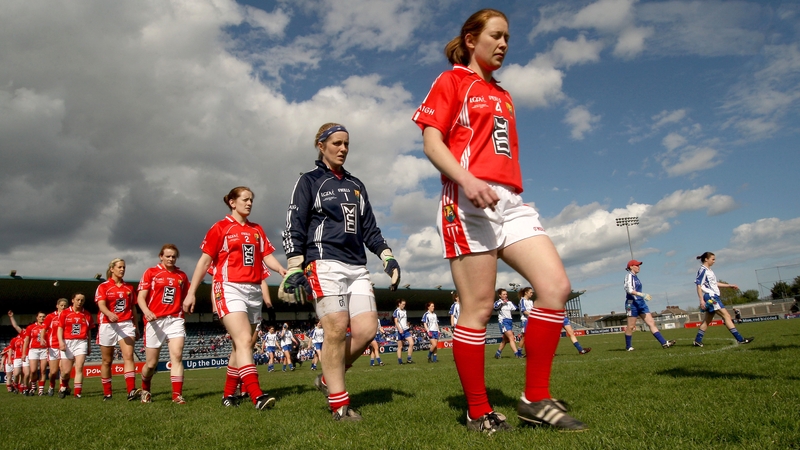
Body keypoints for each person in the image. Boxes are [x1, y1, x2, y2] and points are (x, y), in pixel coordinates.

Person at [412, 8, 586, 432]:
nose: (504, 44)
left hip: (511, 201)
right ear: (471, 39)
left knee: (555, 288)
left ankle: (535, 400)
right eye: (496, 35)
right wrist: (467, 179)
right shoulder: (452, 80)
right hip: (466, 198)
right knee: (478, 307)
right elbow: (432, 142)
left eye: (508, 37)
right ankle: (478, 411)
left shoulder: (504, 95)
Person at [280, 122, 401, 422]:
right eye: (336, 143)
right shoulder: (309, 181)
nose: (343, 149)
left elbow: (369, 228)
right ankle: (339, 404)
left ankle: (326, 378)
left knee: (367, 331)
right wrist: (294, 265)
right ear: (321, 146)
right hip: (323, 262)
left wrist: (387, 256)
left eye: (346, 143)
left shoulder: (356, 184)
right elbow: (294, 223)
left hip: (357, 266)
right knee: (335, 328)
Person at [183, 186, 286, 410]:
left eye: (251, 200)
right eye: (245, 199)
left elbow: (267, 255)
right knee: (243, 341)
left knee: (243, 345)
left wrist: (281, 269)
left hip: (253, 291)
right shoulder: (220, 228)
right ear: (232, 202)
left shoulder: (257, 229)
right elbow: (204, 262)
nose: (249, 203)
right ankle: (257, 395)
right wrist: (191, 292)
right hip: (229, 287)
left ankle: (228, 394)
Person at [137, 244, 191, 404]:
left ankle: (177, 395)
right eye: (168, 256)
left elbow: (186, 296)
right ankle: (145, 389)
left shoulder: (181, 276)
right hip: (155, 321)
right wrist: (146, 311)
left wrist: (189, 303)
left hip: (175, 319)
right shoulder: (151, 273)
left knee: (177, 356)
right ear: (161, 256)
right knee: (151, 364)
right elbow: (141, 297)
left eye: (174, 256)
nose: (171, 259)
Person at [95, 258, 140, 401]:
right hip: (107, 324)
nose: (122, 269)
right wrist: (109, 314)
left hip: (126, 324)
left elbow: (133, 308)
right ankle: (107, 393)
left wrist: (136, 327)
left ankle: (131, 391)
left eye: (124, 267)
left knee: (129, 356)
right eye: (119, 267)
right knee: (107, 360)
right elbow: (101, 305)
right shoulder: (103, 286)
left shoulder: (129, 288)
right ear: (112, 269)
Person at [692, 252, 754, 347]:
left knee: (707, 320)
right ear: (706, 259)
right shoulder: (703, 270)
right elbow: (698, 285)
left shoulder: (709, 271)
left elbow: (714, 283)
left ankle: (697, 340)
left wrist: (729, 285)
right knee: (726, 316)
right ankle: (740, 339)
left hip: (712, 296)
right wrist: (701, 300)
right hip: (711, 297)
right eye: (713, 259)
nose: (714, 261)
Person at [624, 260, 675, 351]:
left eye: (639, 265)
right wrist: (642, 294)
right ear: (631, 267)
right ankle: (628, 346)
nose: (639, 267)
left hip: (641, 303)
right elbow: (629, 290)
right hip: (631, 303)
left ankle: (664, 343)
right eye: (637, 265)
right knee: (630, 326)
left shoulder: (636, 277)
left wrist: (642, 296)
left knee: (651, 322)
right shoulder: (629, 276)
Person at [57, 292, 93, 399]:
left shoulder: (87, 314)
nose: (80, 302)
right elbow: (60, 329)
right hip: (68, 342)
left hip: (81, 342)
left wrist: (89, 345)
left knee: (79, 367)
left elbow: (89, 331)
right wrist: (61, 342)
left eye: (82, 300)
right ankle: (64, 386)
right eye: (78, 300)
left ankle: (77, 393)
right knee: (65, 372)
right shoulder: (65, 313)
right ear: (72, 300)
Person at [44, 298, 69, 396]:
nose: (63, 307)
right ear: (57, 306)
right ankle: (51, 386)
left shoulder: (69, 316)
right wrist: (43, 340)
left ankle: (62, 388)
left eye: (65, 306)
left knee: (63, 369)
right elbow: (44, 329)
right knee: (53, 372)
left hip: (65, 346)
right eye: (61, 305)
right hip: (53, 345)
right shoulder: (50, 316)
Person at [22, 312, 48, 395]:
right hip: (33, 350)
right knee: (33, 371)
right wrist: (24, 353)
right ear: (37, 317)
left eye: (43, 316)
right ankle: (33, 386)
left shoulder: (48, 327)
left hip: (44, 350)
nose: (42, 318)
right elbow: (26, 340)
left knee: (43, 370)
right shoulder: (31, 327)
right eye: (40, 316)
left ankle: (41, 390)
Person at [494, 289, 523, 359]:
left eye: (506, 294)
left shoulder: (509, 303)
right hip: (503, 321)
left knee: (505, 340)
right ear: (500, 295)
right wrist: (502, 304)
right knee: (511, 338)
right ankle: (517, 354)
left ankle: (497, 353)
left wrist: (521, 302)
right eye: (503, 294)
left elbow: (517, 308)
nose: (505, 295)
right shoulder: (498, 302)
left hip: (509, 321)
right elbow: (495, 308)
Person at [393, 299, 415, 365]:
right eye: (403, 304)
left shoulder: (405, 311)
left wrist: (407, 325)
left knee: (411, 343)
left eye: (404, 304)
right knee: (400, 347)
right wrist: (399, 329)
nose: (404, 305)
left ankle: (409, 359)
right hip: (399, 331)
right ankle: (400, 361)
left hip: (406, 330)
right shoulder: (396, 311)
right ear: (399, 304)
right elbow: (396, 321)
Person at [518, 287, 533, 355]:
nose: (532, 294)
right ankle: (519, 353)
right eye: (530, 292)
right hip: (525, 321)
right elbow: (523, 311)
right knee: (524, 337)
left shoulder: (531, 301)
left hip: (531, 320)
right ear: (526, 293)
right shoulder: (522, 300)